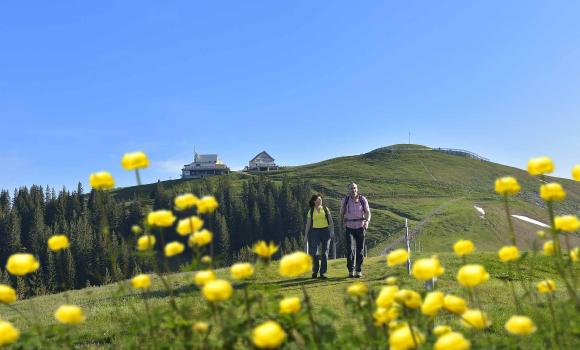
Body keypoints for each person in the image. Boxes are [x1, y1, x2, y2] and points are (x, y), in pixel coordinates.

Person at [340, 182, 371, 278]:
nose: (353, 190)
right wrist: (342, 222)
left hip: (360, 227)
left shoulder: (362, 199)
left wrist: (367, 222)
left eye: (354, 188)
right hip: (349, 227)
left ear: (357, 189)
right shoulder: (345, 200)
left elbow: (368, 212)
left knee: (360, 249)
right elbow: (341, 213)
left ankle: (358, 270)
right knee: (350, 249)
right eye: (351, 188)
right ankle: (351, 270)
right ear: (348, 190)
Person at [304, 194, 334, 279]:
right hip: (314, 232)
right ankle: (315, 271)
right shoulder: (311, 211)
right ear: (314, 201)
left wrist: (332, 231)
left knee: (325, 253)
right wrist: (305, 236)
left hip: (325, 231)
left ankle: (323, 273)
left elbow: (331, 221)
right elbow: (308, 224)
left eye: (321, 199)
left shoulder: (325, 209)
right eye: (318, 199)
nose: (320, 201)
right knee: (314, 253)